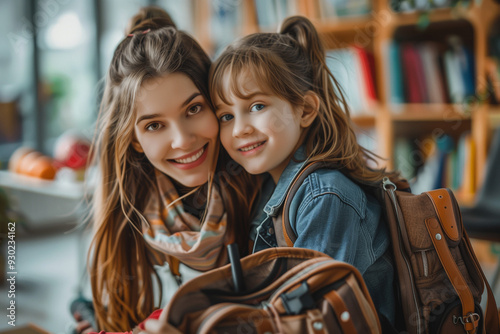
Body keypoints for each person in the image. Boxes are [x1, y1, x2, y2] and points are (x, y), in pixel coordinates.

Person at [209, 15, 399, 323]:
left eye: (257, 106)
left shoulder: (324, 196)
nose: (239, 129)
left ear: (306, 109)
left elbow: (307, 311)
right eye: (226, 116)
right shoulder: (267, 186)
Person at [81, 6, 260, 332]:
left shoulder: (262, 184)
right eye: (154, 126)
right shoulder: (128, 215)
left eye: (193, 108)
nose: (182, 140)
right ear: (134, 140)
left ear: (216, 103)